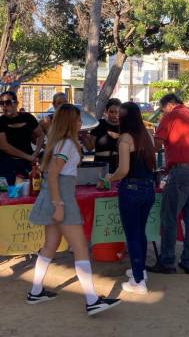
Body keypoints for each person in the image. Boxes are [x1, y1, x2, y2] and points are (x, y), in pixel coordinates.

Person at [27, 104, 121, 316]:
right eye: (78, 119)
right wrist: (59, 205)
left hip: (55, 197)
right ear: (70, 122)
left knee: (50, 246)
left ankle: (36, 291)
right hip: (62, 199)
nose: (81, 122)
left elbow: (50, 173)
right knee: (79, 249)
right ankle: (91, 299)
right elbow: (52, 174)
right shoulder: (67, 144)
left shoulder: (60, 143)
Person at [99, 102, 156, 294]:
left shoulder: (125, 139)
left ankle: (138, 282)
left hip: (131, 190)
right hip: (149, 189)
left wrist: (109, 177)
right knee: (140, 232)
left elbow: (123, 170)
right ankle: (140, 271)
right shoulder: (147, 135)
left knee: (132, 235)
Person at [149, 94, 189, 275]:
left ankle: (167, 261)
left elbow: (157, 145)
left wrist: (143, 157)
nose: (161, 113)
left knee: (169, 216)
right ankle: (188, 261)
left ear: (169, 105)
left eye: (162, 109)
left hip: (183, 171)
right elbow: (187, 145)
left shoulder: (171, 115)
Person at [0, 91, 44, 185]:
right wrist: (29, 157)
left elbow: (40, 135)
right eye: (1, 103)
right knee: (6, 194)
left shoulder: (28, 117)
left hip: (26, 164)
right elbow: (4, 146)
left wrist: (36, 153)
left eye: (7, 102)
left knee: (28, 192)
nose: (4, 106)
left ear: (16, 103)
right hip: (6, 164)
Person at [84, 99, 122, 172]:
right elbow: (90, 147)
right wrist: (84, 137)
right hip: (100, 163)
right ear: (106, 111)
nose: (114, 115)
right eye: (111, 112)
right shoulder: (99, 124)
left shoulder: (124, 126)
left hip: (118, 164)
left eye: (117, 112)